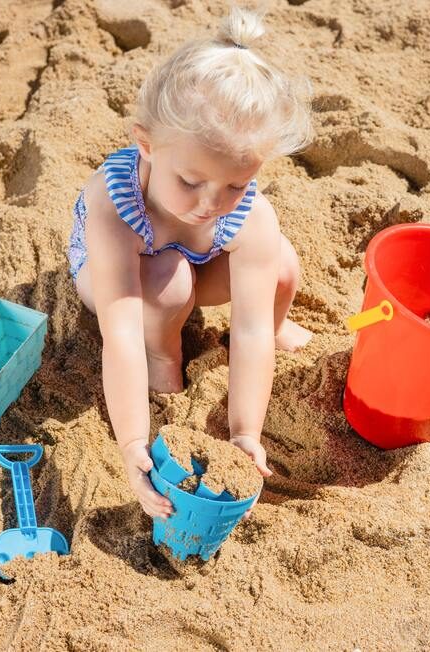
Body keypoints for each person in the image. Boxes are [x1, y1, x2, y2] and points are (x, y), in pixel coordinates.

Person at [66, 7, 313, 518]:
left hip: (194, 258)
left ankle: (281, 326)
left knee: (282, 264)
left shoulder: (247, 214)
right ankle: (167, 359)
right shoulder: (114, 205)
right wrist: (133, 443)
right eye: (191, 181)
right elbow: (121, 332)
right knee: (169, 286)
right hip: (118, 277)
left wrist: (245, 431)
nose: (209, 203)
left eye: (235, 185)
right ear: (147, 144)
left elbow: (245, 332)